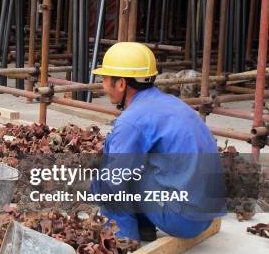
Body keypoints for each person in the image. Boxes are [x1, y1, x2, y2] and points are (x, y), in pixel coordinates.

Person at [90, 42, 225, 241]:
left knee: (107, 181)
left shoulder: (132, 120)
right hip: (205, 214)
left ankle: (122, 239)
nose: (103, 86)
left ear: (121, 84)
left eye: (105, 79)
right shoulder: (171, 103)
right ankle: (144, 225)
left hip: (183, 218)